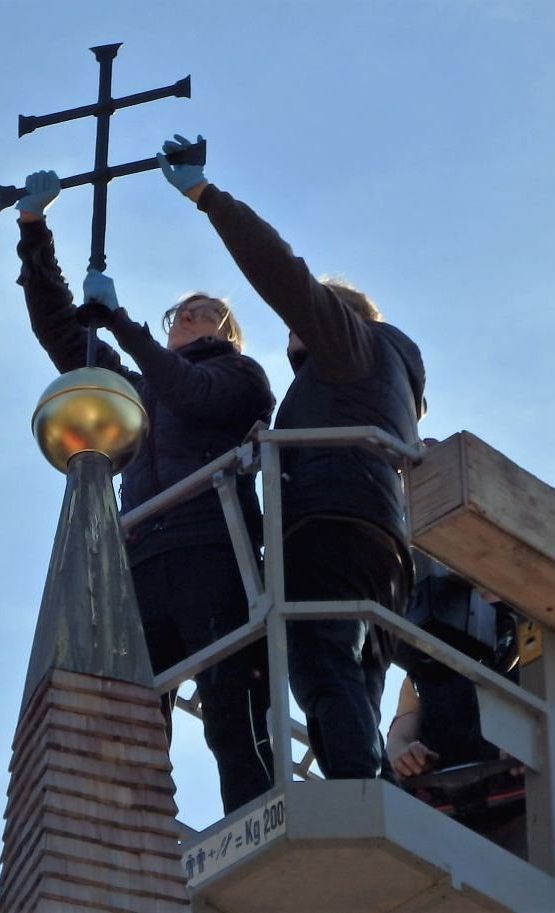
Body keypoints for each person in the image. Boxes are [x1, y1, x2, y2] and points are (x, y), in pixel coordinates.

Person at [157, 136, 427, 780]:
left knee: (323, 664)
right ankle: (370, 789)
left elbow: (283, 272)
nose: (290, 332)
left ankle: (360, 797)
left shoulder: (350, 346)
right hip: (381, 537)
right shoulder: (380, 383)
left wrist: (208, 198)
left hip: (327, 523)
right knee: (354, 681)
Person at [13, 170, 276, 814]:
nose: (187, 316)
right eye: (180, 313)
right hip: (141, 553)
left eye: (205, 312)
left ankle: (256, 818)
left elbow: (194, 394)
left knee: (229, 706)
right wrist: (33, 234)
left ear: (227, 332)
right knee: (134, 709)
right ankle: (140, 830)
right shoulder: (138, 388)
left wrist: (123, 324)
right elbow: (63, 338)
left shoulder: (240, 376)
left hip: (214, 547)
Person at [386, 584, 555, 858]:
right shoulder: (426, 655)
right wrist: (404, 755)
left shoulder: (554, 632)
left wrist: (537, 745)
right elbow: (397, 742)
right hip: (439, 818)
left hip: (527, 816)